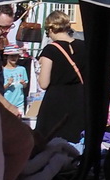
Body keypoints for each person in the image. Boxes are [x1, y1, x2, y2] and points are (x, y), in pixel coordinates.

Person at [34, 11, 87, 149]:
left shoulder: (50, 50)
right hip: (80, 98)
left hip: (56, 101)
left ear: (51, 29)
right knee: (77, 141)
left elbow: (43, 83)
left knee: (51, 143)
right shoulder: (83, 46)